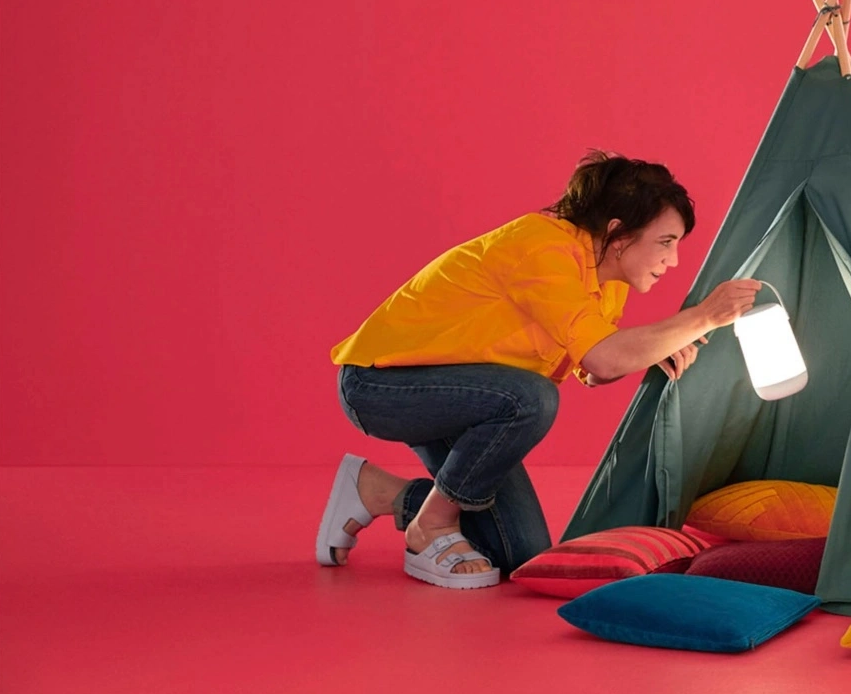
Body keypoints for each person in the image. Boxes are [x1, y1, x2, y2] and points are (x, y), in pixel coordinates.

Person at [315, 150, 761, 588]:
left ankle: (377, 490)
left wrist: (650, 347)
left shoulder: (607, 280)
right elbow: (603, 358)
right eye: (665, 242)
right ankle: (430, 526)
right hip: (380, 385)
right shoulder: (543, 247)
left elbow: (595, 369)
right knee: (532, 397)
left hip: (466, 400)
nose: (674, 260)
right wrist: (705, 317)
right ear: (618, 234)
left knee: (519, 551)